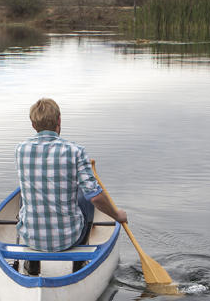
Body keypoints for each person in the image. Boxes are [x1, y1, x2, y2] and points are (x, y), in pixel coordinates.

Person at [15, 98, 127, 274]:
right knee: (86, 195)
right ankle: (79, 260)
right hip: (68, 239)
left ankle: (33, 261)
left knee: (23, 195)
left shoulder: (20, 149)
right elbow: (96, 196)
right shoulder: (75, 151)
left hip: (31, 238)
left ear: (32, 124)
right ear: (59, 120)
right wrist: (116, 214)